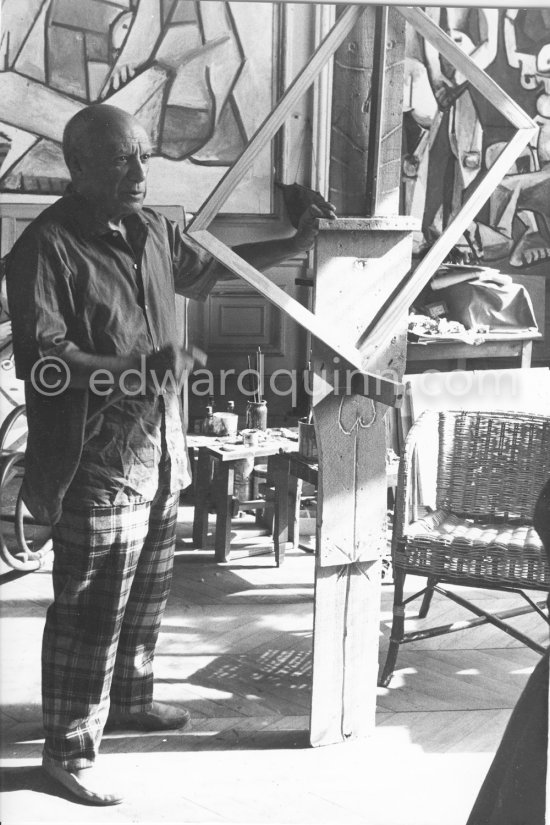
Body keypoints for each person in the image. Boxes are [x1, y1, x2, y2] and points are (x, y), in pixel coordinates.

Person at [5, 103, 335, 806]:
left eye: (143, 156)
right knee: (90, 610)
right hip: (95, 462)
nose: (139, 171)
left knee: (147, 596)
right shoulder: (46, 246)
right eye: (122, 159)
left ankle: (129, 700)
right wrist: (136, 368)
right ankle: (67, 749)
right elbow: (44, 363)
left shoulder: (153, 230)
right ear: (80, 167)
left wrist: (299, 238)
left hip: (159, 452)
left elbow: (217, 269)